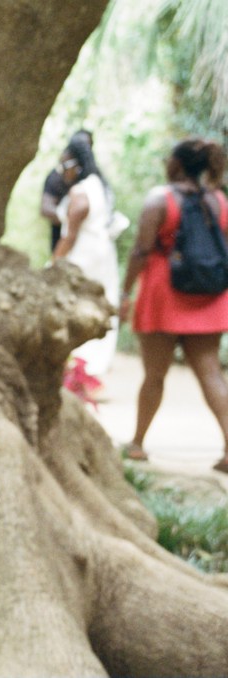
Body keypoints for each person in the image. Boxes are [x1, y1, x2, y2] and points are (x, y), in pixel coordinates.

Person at [118, 137, 228, 474]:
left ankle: (137, 444)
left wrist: (125, 292)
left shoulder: (160, 199)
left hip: (163, 297)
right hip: (209, 298)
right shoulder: (219, 200)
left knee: (154, 375)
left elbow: (141, 251)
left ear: (176, 164)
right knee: (211, 374)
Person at [52, 134, 120, 376]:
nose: (63, 173)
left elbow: (70, 233)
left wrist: (55, 260)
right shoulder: (99, 185)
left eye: (65, 166)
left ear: (76, 165)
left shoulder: (81, 190)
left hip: (83, 253)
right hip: (103, 253)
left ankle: (78, 366)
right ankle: (91, 367)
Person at [41, 129, 94, 252]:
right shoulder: (57, 175)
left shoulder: (93, 180)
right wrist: (69, 217)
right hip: (61, 238)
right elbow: (45, 208)